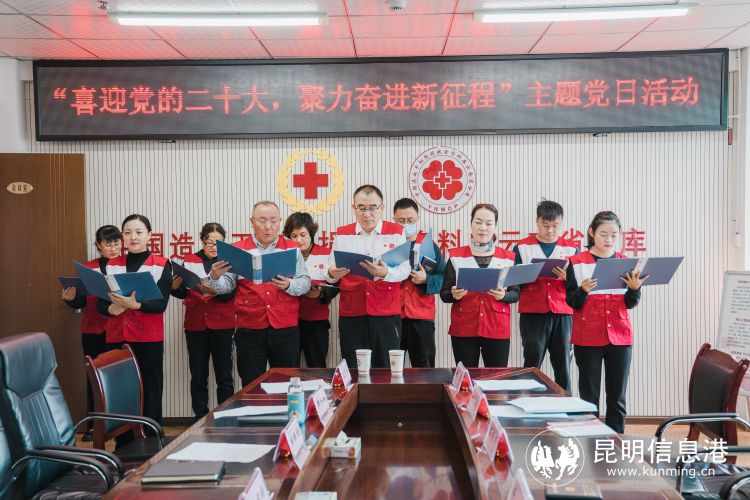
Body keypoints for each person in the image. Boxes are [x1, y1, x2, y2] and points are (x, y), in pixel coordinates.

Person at [209, 201, 311, 387]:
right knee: (251, 385)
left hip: (285, 329)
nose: (268, 226)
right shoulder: (237, 249)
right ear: (252, 222)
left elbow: (305, 282)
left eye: (273, 220)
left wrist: (289, 285)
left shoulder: (292, 248)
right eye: (262, 221)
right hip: (249, 329)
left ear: (280, 221)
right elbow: (227, 285)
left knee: (287, 384)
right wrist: (215, 277)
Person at [566, 211, 648, 433]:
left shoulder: (626, 262)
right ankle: (590, 438)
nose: (608, 239)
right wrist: (583, 290)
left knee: (617, 395)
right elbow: (572, 302)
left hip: (620, 336)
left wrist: (634, 289)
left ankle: (616, 440)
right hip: (587, 336)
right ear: (592, 233)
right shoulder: (576, 262)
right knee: (589, 396)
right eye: (603, 234)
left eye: (614, 235)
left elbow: (630, 303)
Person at [97, 214, 172, 426]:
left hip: (147, 338)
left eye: (139, 232)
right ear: (123, 236)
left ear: (149, 235)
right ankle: (123, 438)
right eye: (128, 233)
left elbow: (161, 304)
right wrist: (110, 309)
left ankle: (151, 434)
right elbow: (100, 303)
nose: (133, 237)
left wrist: (136, 305)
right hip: (116, 337)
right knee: (119, 389)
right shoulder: (111, 265)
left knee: (150, 388)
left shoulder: (161, 264)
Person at [327, 185, 411, 369]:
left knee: (386, 368)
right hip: (352, 311)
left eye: (373, 208)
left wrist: (385, 273)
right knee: (354, 367)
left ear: (382, 208)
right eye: (362, 208)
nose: (367, 214)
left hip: (386, 312)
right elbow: (330, 269)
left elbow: (405, 269)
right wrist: (332, 274)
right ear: (354, 208)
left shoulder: (396, 231)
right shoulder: (342, 233)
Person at [440, 204, 519, 367]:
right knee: (466, 377)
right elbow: (444, 294)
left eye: (488, 223)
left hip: (497, 327)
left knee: (496, 378)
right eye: (478, 222)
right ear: (471, 223)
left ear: (495, 226)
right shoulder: (456, 256)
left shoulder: (508, 258)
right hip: (464, 327)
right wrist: (453, 294)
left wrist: (504, 295)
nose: (483, 228)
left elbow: (515, 294)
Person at [171, 223, 236, 421]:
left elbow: (230, 294)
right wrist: (175, 288)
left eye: (218, 243)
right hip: (195, 324)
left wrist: (214, 290)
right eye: (209, 242)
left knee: (224, 375)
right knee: (198, 375)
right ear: (202, 241)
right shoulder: (190, 260)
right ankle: (200, 416)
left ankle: (226, 416)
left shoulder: (229, 261)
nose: (213, 247)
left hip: (222, 324)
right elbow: (184, 292)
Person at [62, 224, 121, 441]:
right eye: (107, 244)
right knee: (94, 378)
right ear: (98, 245)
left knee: (118, 377)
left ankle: (120, 424)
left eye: (116, 243)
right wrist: (71, 300)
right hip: (93, 329)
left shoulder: (127, 266)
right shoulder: (88, 268)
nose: (113, 248)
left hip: (120, 329)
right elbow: (81, 301)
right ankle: (94, 426)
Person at [513, 200, 579, 392]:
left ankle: (565, 405)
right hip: (533, 312)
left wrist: (568, 278)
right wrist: (526, 274)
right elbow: (512, 282)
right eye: (545, 225)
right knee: (531, 363)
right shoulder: (522, 247)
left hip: (563, 312)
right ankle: (527, 402)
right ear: (537, 221)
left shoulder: (572, 249)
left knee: (563, 365)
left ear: (562, 222)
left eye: (555, 225)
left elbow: (579, 286)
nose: (550, 230)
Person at [392, 198, 446, 367]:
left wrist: (426, 279)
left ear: (418, 219)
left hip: (422, 317)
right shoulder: (387, 244)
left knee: (425, 370)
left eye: (410, 220)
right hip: (392, 316)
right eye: (401, 221)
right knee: (390, 369)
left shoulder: (429, 246)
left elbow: (444, 277)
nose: (405, 224)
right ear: (394, 219)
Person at [283, 212, 339, 368]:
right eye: (293, 236)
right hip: (288, 321)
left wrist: (321, 294)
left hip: (316, 320)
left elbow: (337, 284)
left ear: (311, 234)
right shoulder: (284, 255)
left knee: (317, 368)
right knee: (289, 368)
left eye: (303, 235)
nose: (299, 240)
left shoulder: (327, 253)